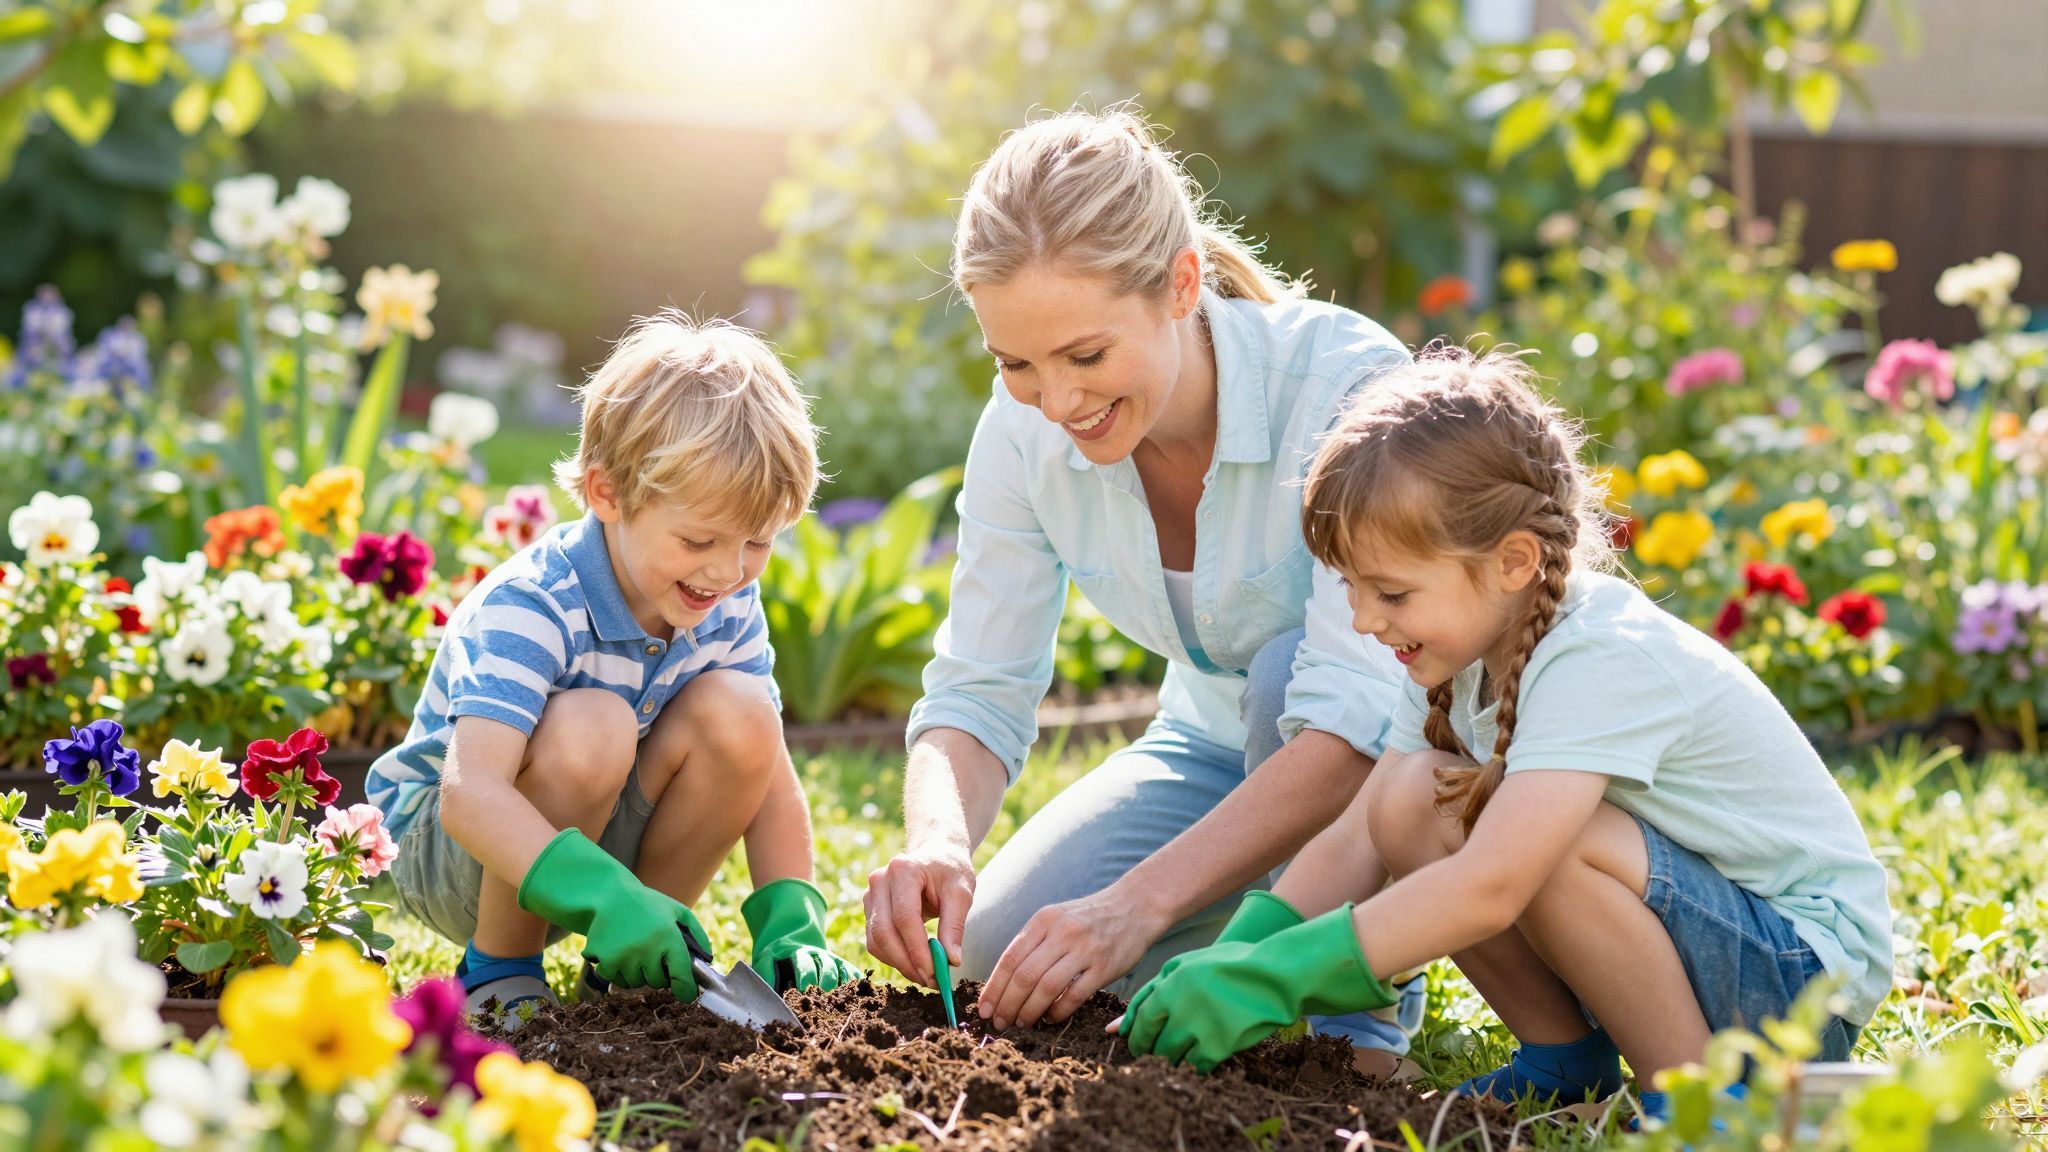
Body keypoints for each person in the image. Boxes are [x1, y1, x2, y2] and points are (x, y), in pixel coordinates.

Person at [1117, 346, 1892, 1124]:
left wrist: (1285, 975)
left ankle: (1701, 1105)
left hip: (1795, 976)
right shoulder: (1458, 656)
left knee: (1535, 844)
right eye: (1351, 587)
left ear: (1514, 561)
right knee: (1408, 802)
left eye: (1390, 591)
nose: (1362, 619)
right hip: (1709, 943)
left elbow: (1494, 883)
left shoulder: (1598, 652)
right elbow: (1358, 835)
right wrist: (1243, 953)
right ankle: (1566, 1061)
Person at [861, 106, 1422, 1069]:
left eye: (1085, 356)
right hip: (1207, 742)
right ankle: (1255, 933)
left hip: (1394, 761)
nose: (1060, 401)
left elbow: (1352, 724)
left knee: (1293, 674)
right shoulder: (1021, 428)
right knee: (1006, 953)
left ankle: (1352, 1007)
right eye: (1018, 363)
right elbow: (977, 689)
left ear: (1180, 284)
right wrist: (938, 838)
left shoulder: (1344, 386)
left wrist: (1139, 905)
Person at [367, 314, 860, 1024]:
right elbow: (469, 793)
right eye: (699, 539)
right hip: (457, 854)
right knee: (594, 719)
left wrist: (792, 910)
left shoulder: (724, 598)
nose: (727, 571)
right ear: (607, 494)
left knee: (745, 713)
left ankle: (641, 958)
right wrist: (603, 892)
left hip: (591, 838)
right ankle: (499, 968)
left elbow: (768, 767)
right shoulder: (534, 603)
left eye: (758, 541)